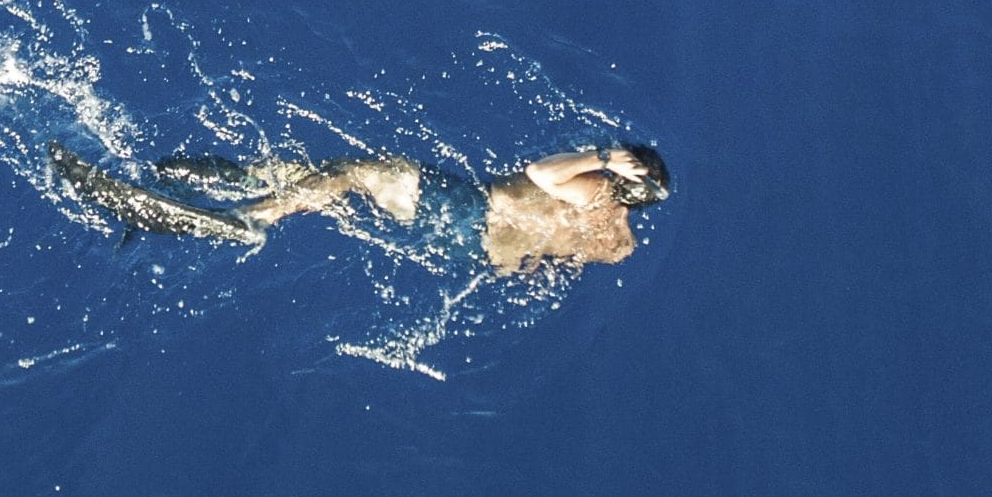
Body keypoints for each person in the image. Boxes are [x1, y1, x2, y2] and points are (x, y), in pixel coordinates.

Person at [47, 138, 670, 276]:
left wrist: (602, 154)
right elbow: (539, 266)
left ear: (623, 182)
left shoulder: (597, 188)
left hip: (471, 211)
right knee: (347, 179)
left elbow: (539, 173)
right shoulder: (617, 241)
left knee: (360, 173)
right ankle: (238, 179)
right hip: (469, 246)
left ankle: (250, 217)